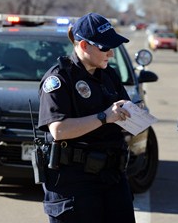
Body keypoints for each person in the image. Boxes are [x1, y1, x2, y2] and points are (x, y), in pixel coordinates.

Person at [38, 12, 136, 223]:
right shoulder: (58, 79)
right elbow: (58, 129)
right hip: (74, 183)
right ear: (83, 45)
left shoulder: (109, 75)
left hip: (112, 177)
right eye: (104, 47)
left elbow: (123, 115)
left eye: (113, 47)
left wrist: (133, 117)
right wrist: (104, 117)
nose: (110, 53)